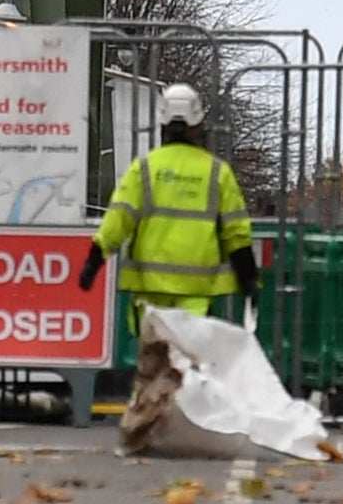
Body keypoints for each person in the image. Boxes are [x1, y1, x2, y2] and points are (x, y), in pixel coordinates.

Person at [79, 83, 263, 340]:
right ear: (198, 125)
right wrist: (248, 279)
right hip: (196, 291)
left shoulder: (144, 169)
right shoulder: (217, 173)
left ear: (163, 122)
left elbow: (118, 219)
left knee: (156, 367)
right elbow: (237, 233)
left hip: (149, 290)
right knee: (188, 364)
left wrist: (94, 261)